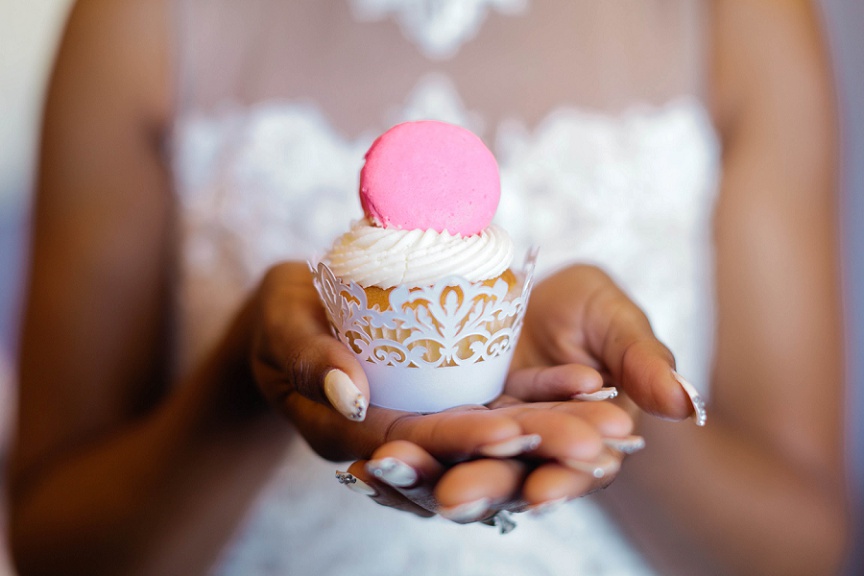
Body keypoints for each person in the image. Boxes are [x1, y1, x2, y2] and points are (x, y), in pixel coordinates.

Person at [7, 0, 849, 575]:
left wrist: (618, 404)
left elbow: (806, 547)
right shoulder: (137, 18)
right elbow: (53, 545)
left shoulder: (745, 17)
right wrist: (245, 380)